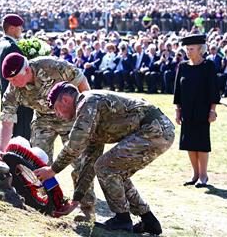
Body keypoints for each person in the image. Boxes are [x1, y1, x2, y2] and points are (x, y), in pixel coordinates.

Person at [34, 81, 175, 234]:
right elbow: (89, 161)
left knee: (105, 167)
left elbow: (74, 146)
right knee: (115, 172)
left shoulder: (87, 103)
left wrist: (52, 170)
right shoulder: (90, 114)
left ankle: (122, 219)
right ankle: (149, 220)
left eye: (56, 108)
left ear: (66, 100)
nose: (57, 115)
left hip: (154, 129)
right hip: (156, 129)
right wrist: (76, 199)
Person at [0, 53, 96, 221]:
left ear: (27, 70)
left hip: (70, 116)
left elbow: (82, 83)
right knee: (36, 162)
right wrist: (1, 151)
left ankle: (86, 209)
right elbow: (7, 121)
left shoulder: (53, 66)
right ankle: (44, 202)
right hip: (43, 120)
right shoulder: (13, 89)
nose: (12, 84)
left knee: (80, 163)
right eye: (9, 80)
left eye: (15, 79)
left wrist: (86, 116)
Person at [174, 34, 220, 188]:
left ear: (201, 49)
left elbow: (214, 89)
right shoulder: (183, 66)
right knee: (189, 143)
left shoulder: (209, 66)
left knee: (201, 143)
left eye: (191, 49)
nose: (188, 51)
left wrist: (212, 110)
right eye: (187, 49)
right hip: (186, 110)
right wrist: (177, 110)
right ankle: (194, 174)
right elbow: (177, 91)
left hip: (203, 110)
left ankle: (203, 176)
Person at [0, 13, 33, 140]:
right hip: (18, 98)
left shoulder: (1, 45)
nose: (21, 29)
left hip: (7, 96)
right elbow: (21, 74)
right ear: (11, 28)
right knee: (21, 137)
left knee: (11, 135)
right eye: (19, 27)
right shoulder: (12, 47)